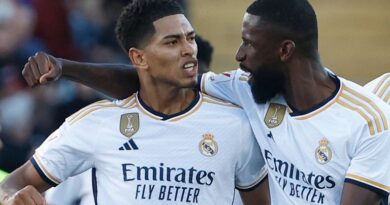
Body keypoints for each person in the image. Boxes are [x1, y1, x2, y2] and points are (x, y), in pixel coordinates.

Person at [21, 0, 390, 204]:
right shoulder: (247, 89)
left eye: (249, 44)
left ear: (285, 50)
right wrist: (65, 68)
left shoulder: (368, 122)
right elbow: (151, 81)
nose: (239, 55)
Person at [0, 0, 270, 204]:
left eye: (189, 38)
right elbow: (11, 183)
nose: (189, 48)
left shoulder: (235, 125)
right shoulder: (96, 123)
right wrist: (12, 197)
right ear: (139, 58)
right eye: (172, 42)